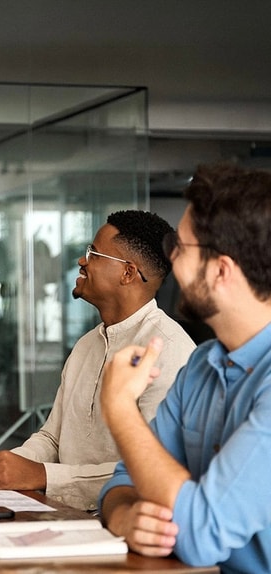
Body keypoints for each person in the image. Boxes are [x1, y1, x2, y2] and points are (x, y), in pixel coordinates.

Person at [0, 210, 195, 511]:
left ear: (128, 273)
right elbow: (52, 439)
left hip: (121, 523)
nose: (82, 261)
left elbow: (145, 469)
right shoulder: (86, 345)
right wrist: (4, 463)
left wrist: (42, 475)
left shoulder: (170, 352)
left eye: (93, 253)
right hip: (57, 511)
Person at [99, 163, 271, 572]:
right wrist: (125, 517)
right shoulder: (201, 364)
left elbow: (199, 533)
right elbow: (123, 480)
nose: (170, 258)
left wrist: (121, 408)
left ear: (221, 270)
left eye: (181, 247)